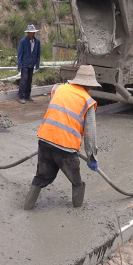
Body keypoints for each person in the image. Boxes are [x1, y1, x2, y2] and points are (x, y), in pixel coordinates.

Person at [23, 64, 100, 210]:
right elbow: (90, 135)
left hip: (45, 140)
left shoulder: (58, 88)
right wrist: (92, 158)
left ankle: (27, 206)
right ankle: (77, 209)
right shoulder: (88, 102)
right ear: (89, 85)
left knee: (41, 176)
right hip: (66, 148)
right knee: (76, 181)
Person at [17, 24, 41, 104]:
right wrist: (19, 65)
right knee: (24, 80)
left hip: (32, 63)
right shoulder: (23, 41)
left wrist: (37, 64)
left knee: (29, 80)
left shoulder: (37, 41)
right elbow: (20, 53)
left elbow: (38, 53)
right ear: (28, 33)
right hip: (25, 63)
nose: (32, 34)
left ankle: (27, 95)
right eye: (30, 32)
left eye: (33, 32)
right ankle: (21, 96)